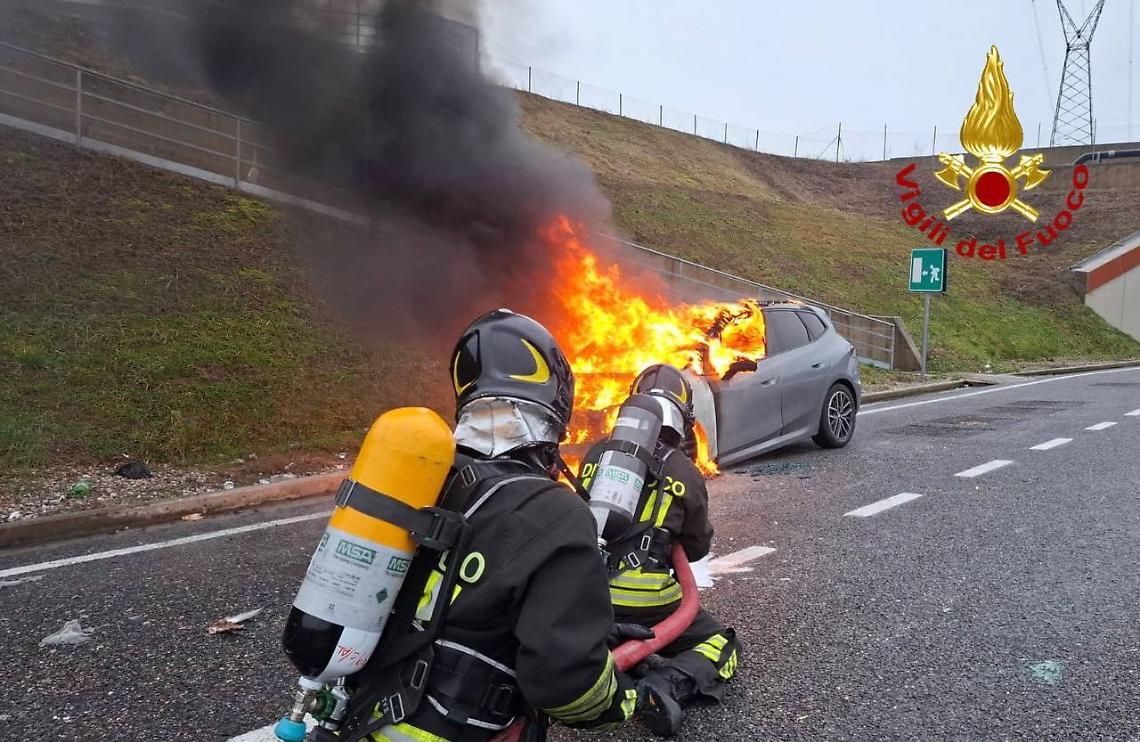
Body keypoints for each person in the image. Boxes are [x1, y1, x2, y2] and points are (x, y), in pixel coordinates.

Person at [354, 308, 652, 742]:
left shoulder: (420, 481)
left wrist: (587, 630)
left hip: (359, 716)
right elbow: (566, 687)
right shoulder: (554, 512)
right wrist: (625, 699)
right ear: (555, 401)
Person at [579, 364, 741, 739]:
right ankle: (668, 682)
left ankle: (622, 657)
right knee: (721, 642)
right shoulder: (684, 469)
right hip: (651, 605)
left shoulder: (595, 455)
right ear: (681, 416)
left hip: (589, 597)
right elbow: (698, 547)